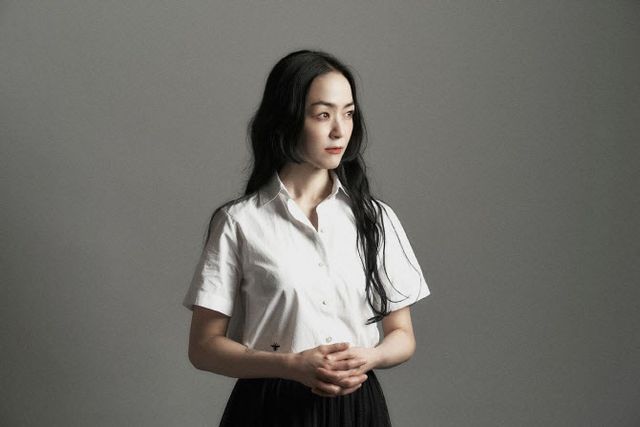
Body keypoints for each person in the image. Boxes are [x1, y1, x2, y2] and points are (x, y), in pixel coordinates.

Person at [183, 49, 430, 426]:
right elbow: (203, 348)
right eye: (323, 114)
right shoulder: (240, 222)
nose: (340, 130)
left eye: (348, 113)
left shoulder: (376, 218)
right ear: (287, 119)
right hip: (269, 408)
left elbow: (402, 335)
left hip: (357, 408)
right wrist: (290, 365)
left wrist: (371, 357)